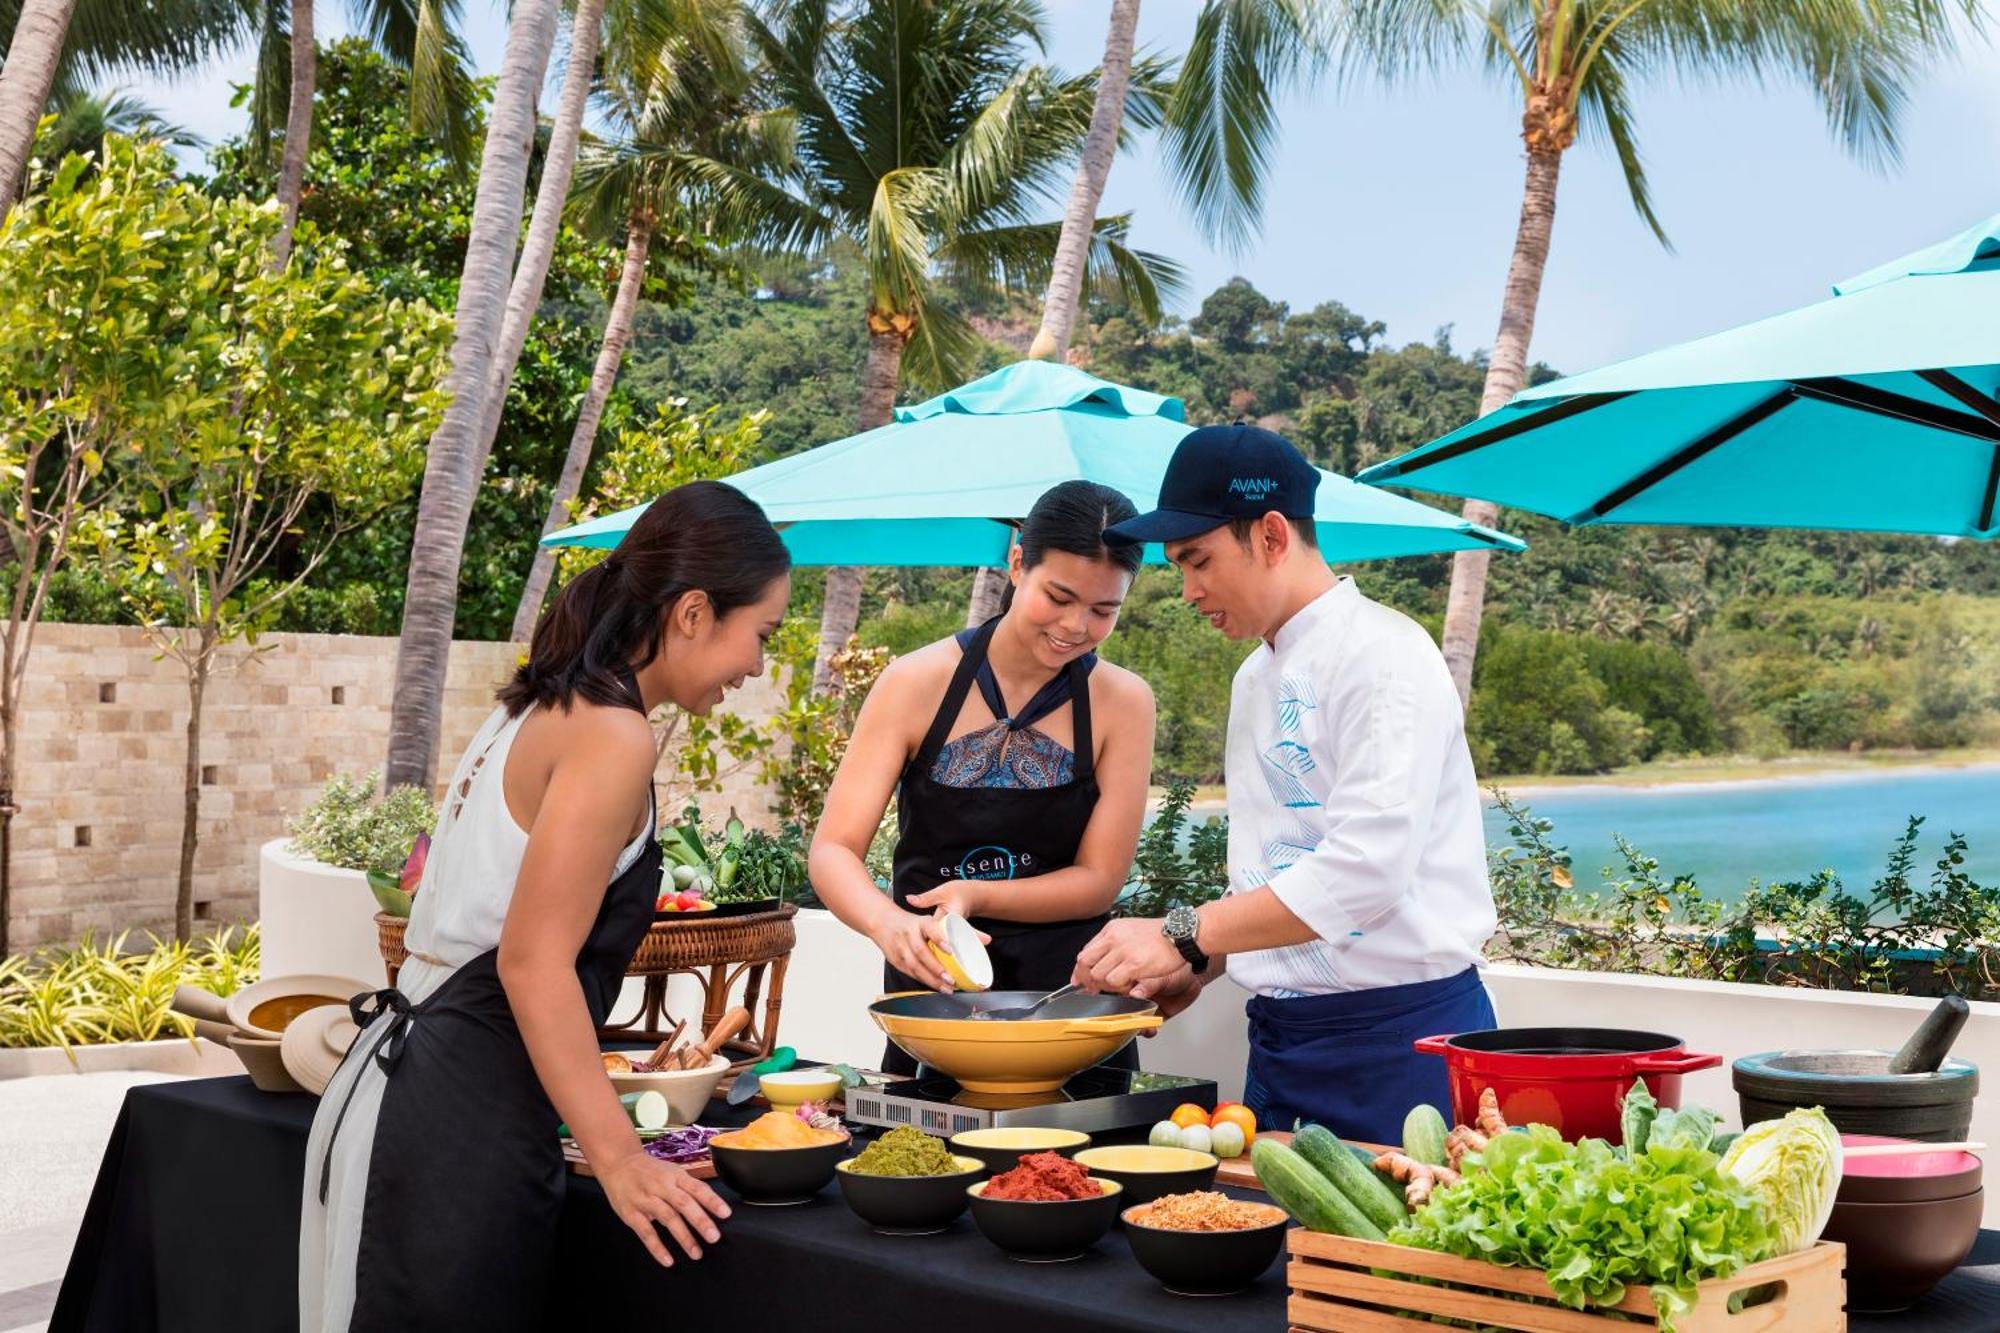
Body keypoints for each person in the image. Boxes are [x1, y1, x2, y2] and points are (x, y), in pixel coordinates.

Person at [299, 481, 791, 1332]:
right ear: (695, 612)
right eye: (762, 634)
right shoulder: (612, 732)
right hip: (459, 1115)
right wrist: (624, 1159)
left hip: (411, 1086)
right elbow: (532, 962)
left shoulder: (540, 701)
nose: (757, 664)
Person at [1070, 424, 1497, 1145]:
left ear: (1271, 535)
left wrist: (1182, 933)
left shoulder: (1386, 656)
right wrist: (1205, 961)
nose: (1187, 589)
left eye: (1197, 560)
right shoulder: (1255, 675)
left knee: (1394, 1257)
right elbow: (1279, 866)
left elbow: (1366, 870)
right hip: (1280, 1044)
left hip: (1405, 1044)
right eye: (1177, 566)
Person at [810, 481, 1157, 1075]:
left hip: (1072, 1006)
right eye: (1060, 596)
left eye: (1104, 611)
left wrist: (975, 895)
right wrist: (886, 923)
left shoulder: (1123, 701)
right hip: (935, 1002)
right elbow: (834, 848)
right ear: (1018, 562)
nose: (1075, 625)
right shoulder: (914, 682)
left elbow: (1099, 881)